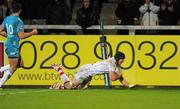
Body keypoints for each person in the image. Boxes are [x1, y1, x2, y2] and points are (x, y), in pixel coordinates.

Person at [50, 51, 135, 90]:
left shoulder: (115, 62)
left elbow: (120, 77)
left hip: (88, 71)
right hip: (86, 72)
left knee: (76, 87)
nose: (123, 61)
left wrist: (129, 85)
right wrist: (120, 74)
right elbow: (113, 78)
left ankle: (59, 83)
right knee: (69, 86)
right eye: (122, 59)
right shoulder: (112, 63)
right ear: (118, 58)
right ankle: (58, 69)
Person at [0, 2, 38, 88]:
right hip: (12, 46)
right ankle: (0, 84)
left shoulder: (7, 18)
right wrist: (32, 32)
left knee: (20, 64)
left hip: (9, 44)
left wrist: (8, 35)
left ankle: (1, 69)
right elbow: (21, 36)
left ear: (12, 10)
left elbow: (0, 30)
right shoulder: (19, 21)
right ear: (20, 11)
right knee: (13, 68)